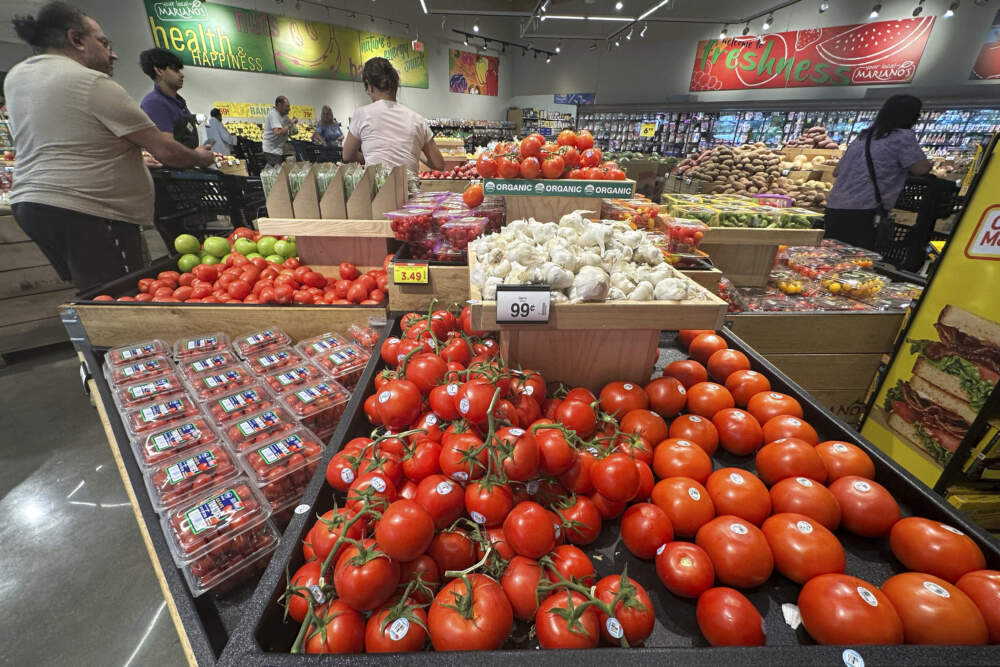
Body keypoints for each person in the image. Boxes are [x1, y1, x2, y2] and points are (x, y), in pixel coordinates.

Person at [5, 2, 214, 292]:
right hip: (88, 209)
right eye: (104, 43)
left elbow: (69, 141)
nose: (113, 53)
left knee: (93, 291)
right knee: (122, 297)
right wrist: (201, 158)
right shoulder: (91, 82)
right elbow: (167, 151)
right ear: (76, 40)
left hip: (31, 204)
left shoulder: (17, 78)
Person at [825, 94, 933, 250]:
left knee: (832, 256)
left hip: (835, 206)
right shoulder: (902, 138)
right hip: (864, 209)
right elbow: (920, 168)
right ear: (913, 116)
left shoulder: (864, 137)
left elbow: (837, 171)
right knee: (856, 260)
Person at [343, 57, 444, 173]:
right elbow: (439, 164)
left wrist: (370, 156)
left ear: (369, 86)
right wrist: (417, 153)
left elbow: (347, 156)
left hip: (378, 189)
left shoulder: (361, 114)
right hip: (409, 189)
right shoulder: (417, 120)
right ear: (395, 85)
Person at [138, 47, 198, 149]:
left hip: (188, 163)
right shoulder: (154, 103)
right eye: (175, 70)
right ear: (159, 71)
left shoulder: (179, 103)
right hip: (171, 165)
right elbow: (167, 149)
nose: (181, 75)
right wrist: (197, 155)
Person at [262, 95, 297, 166]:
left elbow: (294, 132)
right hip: (271, 151)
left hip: (279, 150)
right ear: (279, 105)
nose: (289, 109)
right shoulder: (273, 114)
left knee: (280, 171)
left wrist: (293, 125)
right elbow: (277, 132)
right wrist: (290, 124)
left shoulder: (284, 116)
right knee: (276, 173)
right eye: (287, 106)